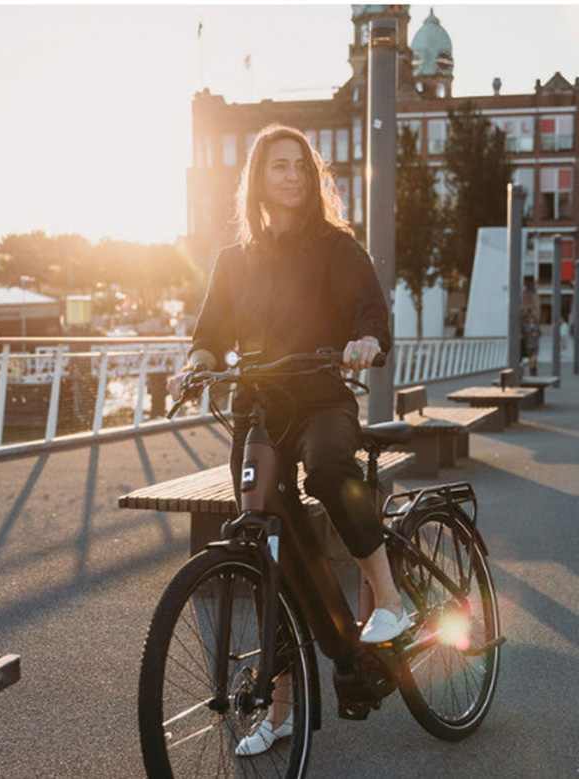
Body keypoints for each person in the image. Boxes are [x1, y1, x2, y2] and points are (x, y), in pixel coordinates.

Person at [167, 123, 410, 753]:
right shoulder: (233, 262)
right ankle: (280, 709)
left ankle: (389, 596)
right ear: (257, 179)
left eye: (301, 166)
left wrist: (365, 342)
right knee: (269, 549)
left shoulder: (335, 247)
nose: (293, 176)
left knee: (330, 469)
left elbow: (370, 313)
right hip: (258, 409)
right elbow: (210, 331)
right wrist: (196, 361)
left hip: (323, 397)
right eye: (280, 166)